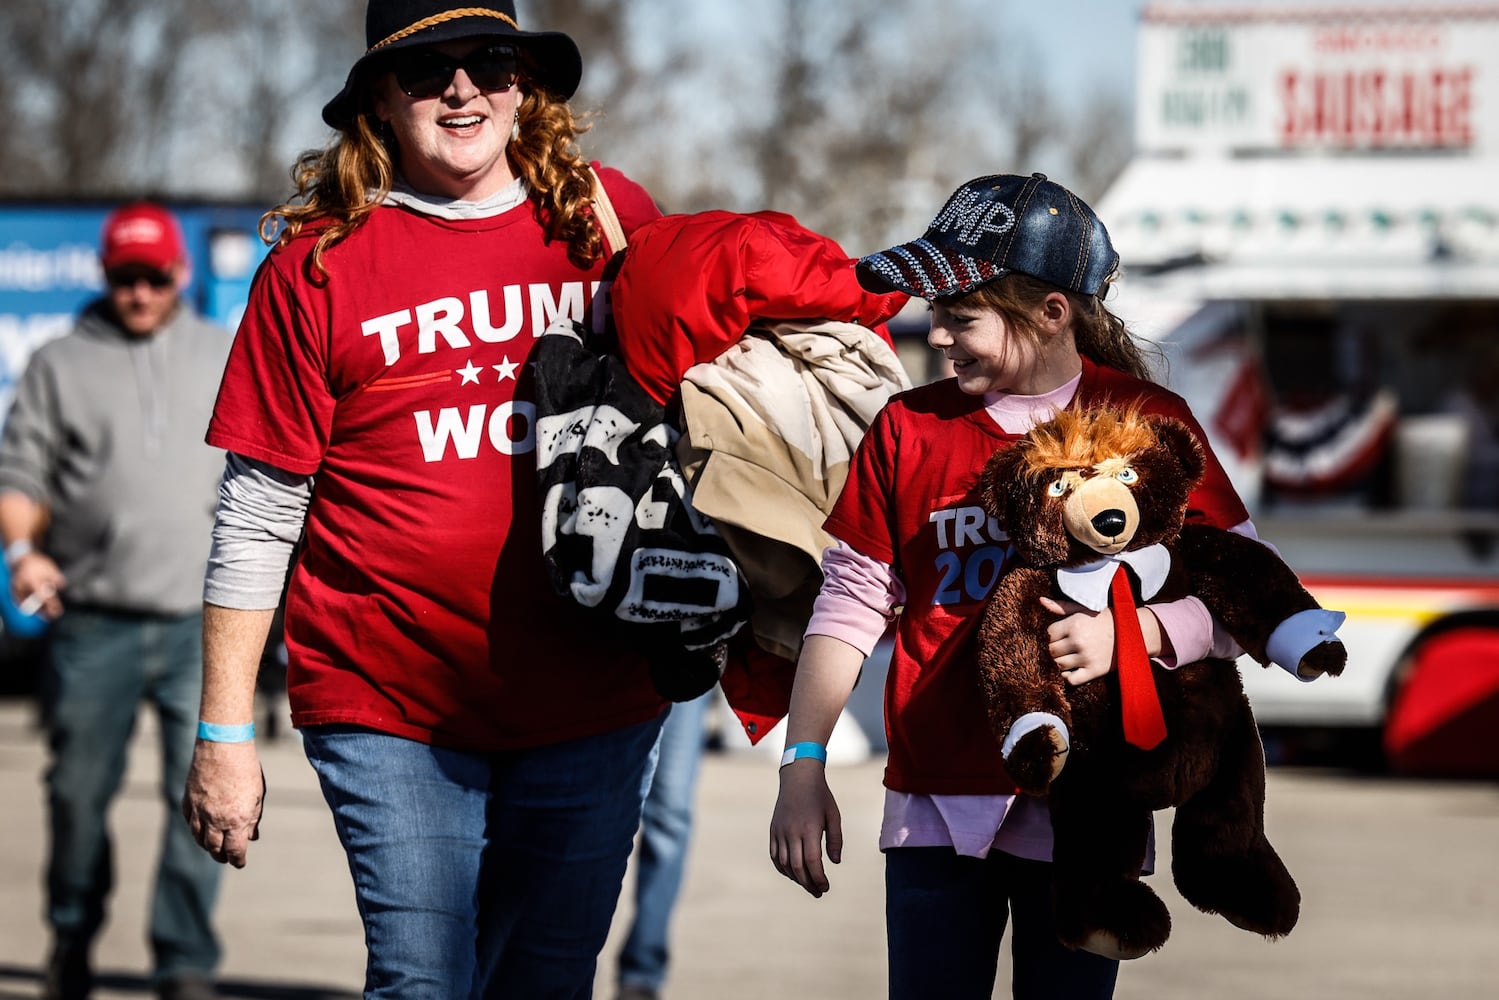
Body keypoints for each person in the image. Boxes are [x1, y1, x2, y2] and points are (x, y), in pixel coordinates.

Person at [177, 3, 667, 997]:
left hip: (591, 692)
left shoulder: (603, 218)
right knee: (421, 980)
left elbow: (705, 399)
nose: (461, 89)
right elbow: (260, 510)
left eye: (489, 61)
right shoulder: (315, 266)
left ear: (522, 85)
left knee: (547, 980)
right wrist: (225, 732)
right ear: (377, 103)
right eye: (425, 71)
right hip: (388, 698)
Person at [768, 173, 1263, 999]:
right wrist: (802, 761)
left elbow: (1246, 594)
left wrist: (1133, 636)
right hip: (932, 801)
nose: (936, 337)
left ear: (1051, 313)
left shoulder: (1146, 418)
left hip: (1090, 808)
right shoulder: (907, 426)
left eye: (960, 318)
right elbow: (847, 607)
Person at [0, 201, 231, 1000]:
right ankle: (71, 930)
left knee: (201, 797)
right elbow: (20, 473)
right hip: (91, 619)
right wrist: (23, 552)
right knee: (75, 795)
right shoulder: (59, 362)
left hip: (199, 621)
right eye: (124, 278)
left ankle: (184, 961)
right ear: (103, 276)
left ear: (181, 272)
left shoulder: (221, 351)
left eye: (154, 276)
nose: (139, 293)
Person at [615, 689, 711, 1000]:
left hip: (686, 660)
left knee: (671, 814)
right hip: (604, 658)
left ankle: (641, 975)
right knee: (589, 812)